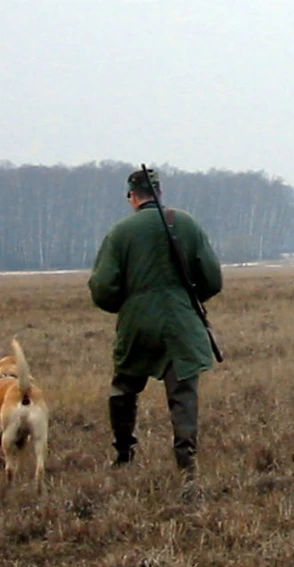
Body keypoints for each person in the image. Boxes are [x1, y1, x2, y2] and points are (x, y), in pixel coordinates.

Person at [88, 168, 223, 477]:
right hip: (181, 322)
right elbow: (213, 279)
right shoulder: (185, 223)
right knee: (183, 395)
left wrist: (130, 304)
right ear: (160, 194)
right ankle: (186, 464)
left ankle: (124, 454)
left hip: (137, 324)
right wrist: (187, 299)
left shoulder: (120, 232)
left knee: (123, 388)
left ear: (133, 197)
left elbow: (103, 288)